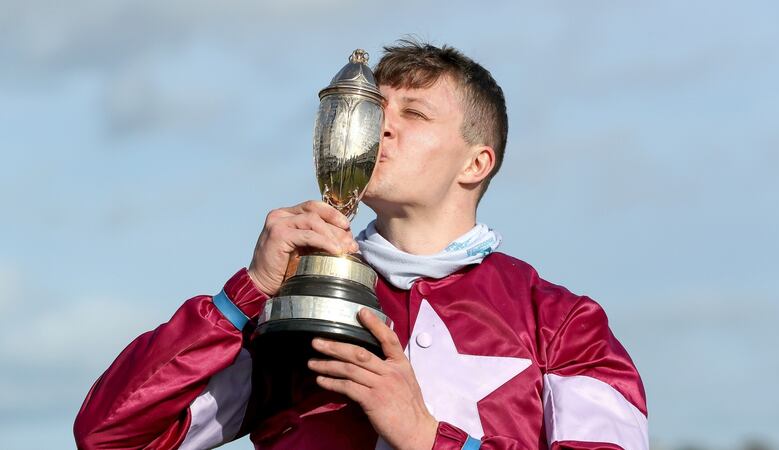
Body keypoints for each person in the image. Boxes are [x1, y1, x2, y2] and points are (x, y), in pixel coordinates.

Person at [74, 40, 648, 450]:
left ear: (477, 162)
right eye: (375, 111)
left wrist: (427, 437)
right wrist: (244, 294)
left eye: (414, 113)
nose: (381, 128)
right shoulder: (292, 312)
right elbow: (110, 435)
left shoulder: (564, 322)